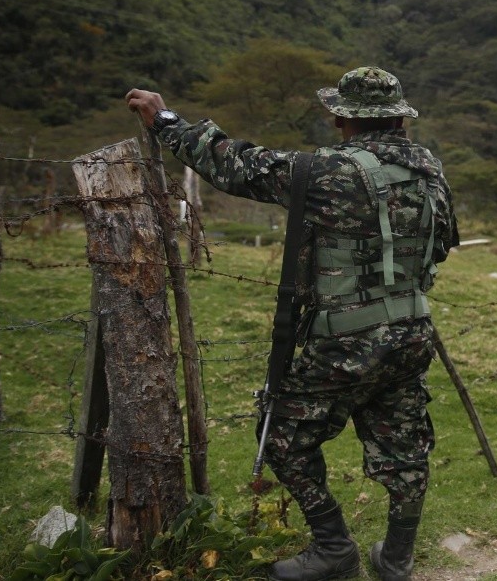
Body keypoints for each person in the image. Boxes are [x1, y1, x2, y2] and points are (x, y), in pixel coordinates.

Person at [126, 66, 459, 581]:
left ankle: (333, 548)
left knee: (282, 434)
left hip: (347, 338)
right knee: (405, 442)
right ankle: (396, 559)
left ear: (342, 119)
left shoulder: (326, 170)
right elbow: (443, 244)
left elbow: (236, 165)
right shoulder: (430, 168)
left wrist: (166, 121)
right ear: (398, 119)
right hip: (414, 329)